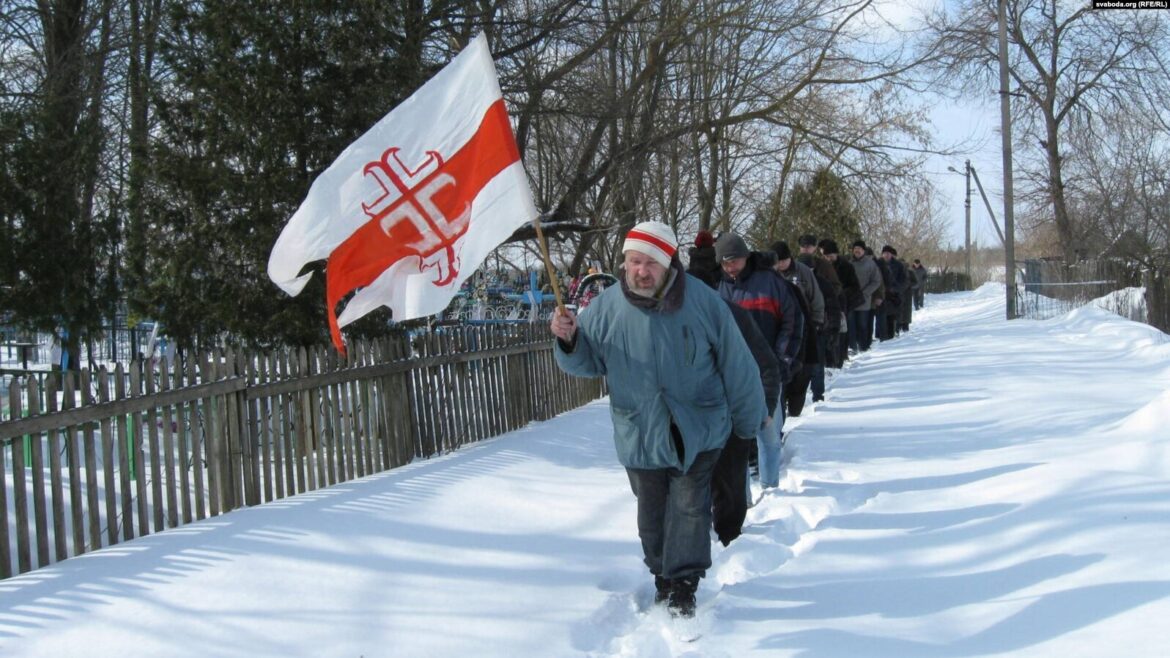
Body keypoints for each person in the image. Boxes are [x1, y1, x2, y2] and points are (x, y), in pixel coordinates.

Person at [551, 221, 766, 619]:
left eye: (650, 263)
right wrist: (569, 340)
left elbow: (738, 364)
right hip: (640, 431)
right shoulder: (607, 307)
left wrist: (748, 421)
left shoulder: (703, 302)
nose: (641, 271)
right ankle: (660, 574)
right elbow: (588, 362)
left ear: (668, 263)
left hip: (699, 426)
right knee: (650, 511)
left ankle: (683, 582)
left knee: (689, 505)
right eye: (633, 262)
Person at [686, 231, 781, 547]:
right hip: (690, 418)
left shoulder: (733, 316)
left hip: (731, 414)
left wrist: (764, 408)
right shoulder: (673, 322)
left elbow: (766, 364)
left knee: (729, 485)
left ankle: (731, 544)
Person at [713, 232, 802, 489]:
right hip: (734, 375)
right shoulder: (719, 288)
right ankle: (742, 498)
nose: (731, 267)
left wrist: (782, 357)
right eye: (725, 263)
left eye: (735, 261)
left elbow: (792, 321)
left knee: (768, 433)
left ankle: (771, 487)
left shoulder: (770, 282)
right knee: (737, 441)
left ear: (746, 256)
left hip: (767, 370)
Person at [771, 240, 822, 416]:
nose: (780, 265)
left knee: (801, 372)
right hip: (781, 327)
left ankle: (795, 408)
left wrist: (816, 321)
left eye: (783, 261)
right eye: (777, 262)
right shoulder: (770, 276)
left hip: (804, 323)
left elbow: (815, 297)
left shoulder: (803, 272)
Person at [819, 239, 862, 366]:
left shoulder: (847, 266)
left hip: (843, 303)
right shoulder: (821, 266)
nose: (829, 259)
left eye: (831, 256)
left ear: (836, 254)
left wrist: (841, 292)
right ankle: (830, 359)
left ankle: (842, 356)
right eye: (826, 256)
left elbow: (855, 286)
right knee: (828, 330)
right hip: (827, 303)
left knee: (842, 330)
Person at [849, 240, 882, 353]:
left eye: (859, 249)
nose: (857, 251)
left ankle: (863, 347)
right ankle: (852, 347)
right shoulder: (848, 262)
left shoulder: (870, 264)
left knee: (862, 325)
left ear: (863, 250)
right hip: (850, 299)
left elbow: (876, 281)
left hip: (864, 299)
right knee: (851, 325)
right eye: (855, 249)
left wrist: (866, 292)